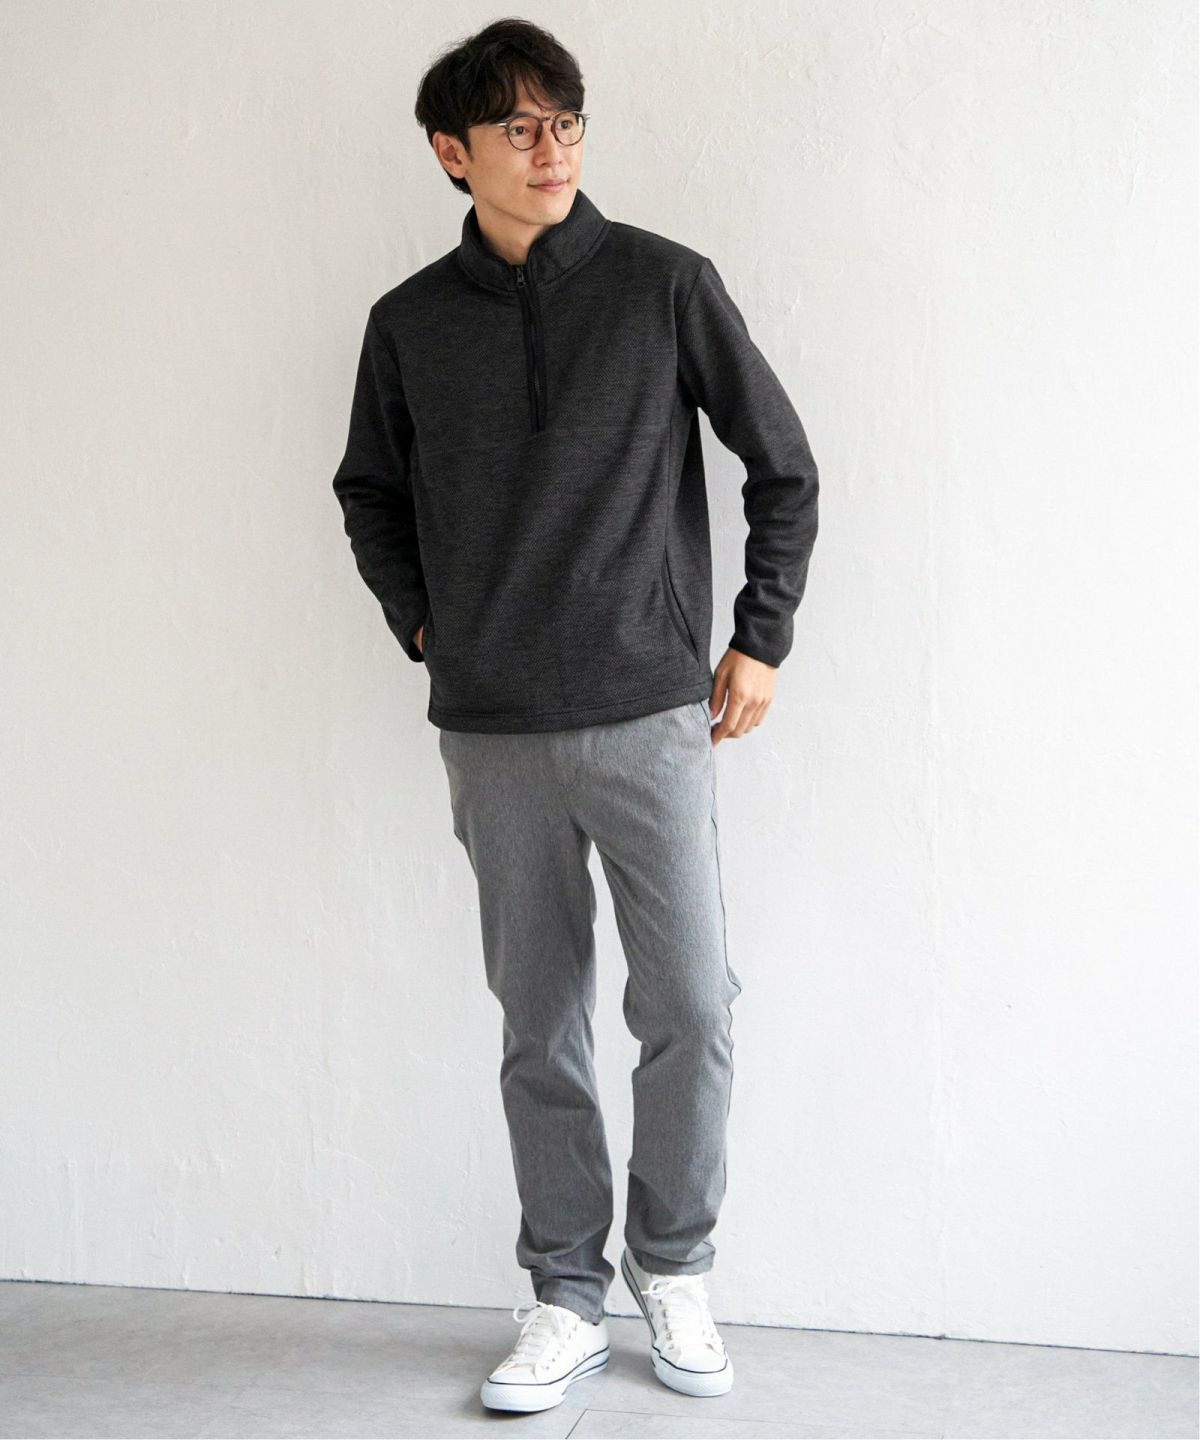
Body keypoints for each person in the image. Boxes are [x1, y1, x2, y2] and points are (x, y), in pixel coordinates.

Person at [331, 18, 819, 1415]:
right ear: (453, 152)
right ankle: (563, 1290)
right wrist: (422, 623)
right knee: (538, 1021)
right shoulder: (409, 324)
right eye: (519, 128)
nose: (552, 150)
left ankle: (673, 1264)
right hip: (492, 727)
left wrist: (760, 638)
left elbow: (784, 466)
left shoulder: (666, 285)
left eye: (568, 121)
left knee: (690, 1007)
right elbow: (369, 492)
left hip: (650, 710)